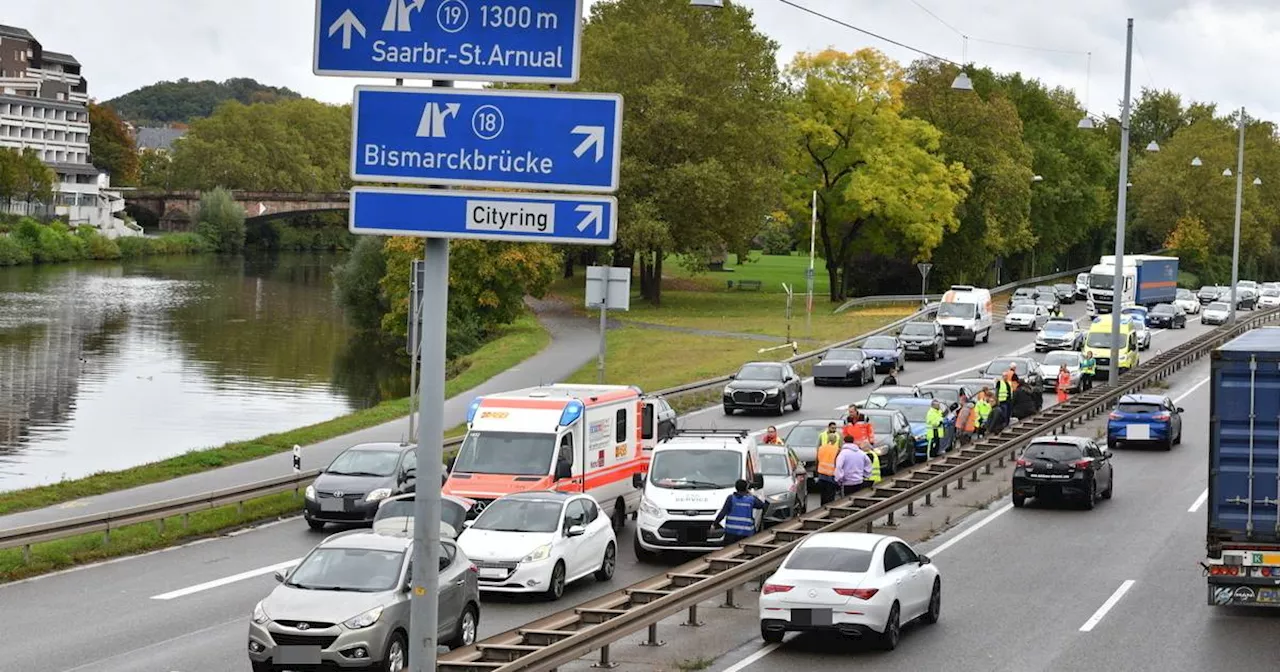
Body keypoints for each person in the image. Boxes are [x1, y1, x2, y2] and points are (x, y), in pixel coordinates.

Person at [712, 479, 766, 544]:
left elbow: (723, 513)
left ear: (736, 487)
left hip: (731, 533)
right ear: (746, 488)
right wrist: (750, 493)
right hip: (746, 533)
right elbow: (761, 505)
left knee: (729, 551)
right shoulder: (751, 499)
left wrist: (715, 524)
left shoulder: (731, 498)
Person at [816, 422, 842, 504]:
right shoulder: (837, 450)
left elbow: (817, 459)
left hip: (821, 474)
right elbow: (838, 462)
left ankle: (821, 509)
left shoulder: (821, 448)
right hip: (831, 474)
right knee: (830, 495)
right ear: (835, 441)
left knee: (823, 494)